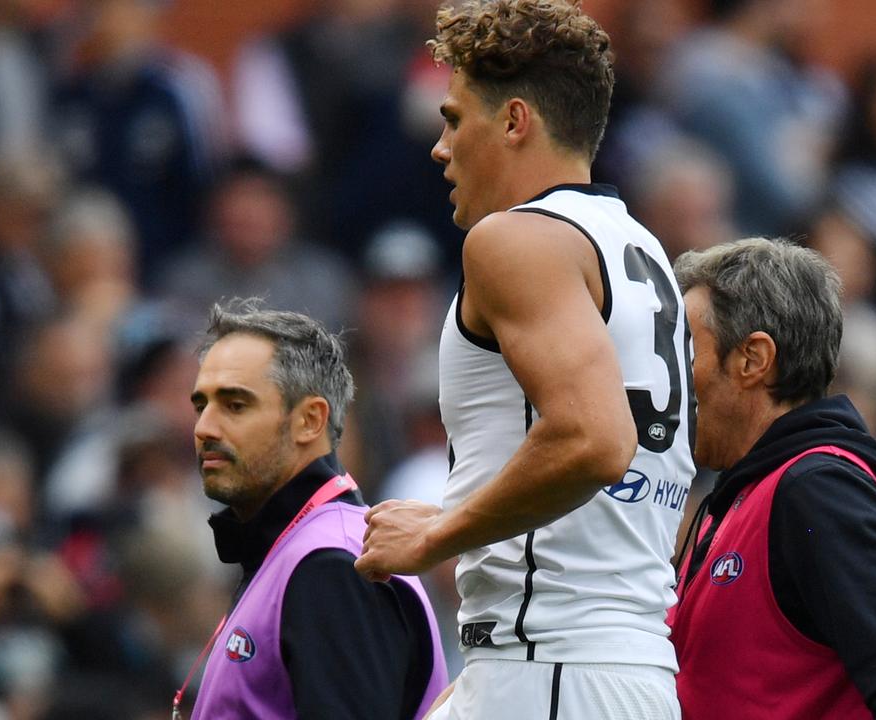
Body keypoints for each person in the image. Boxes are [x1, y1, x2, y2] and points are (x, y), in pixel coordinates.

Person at [355, 2, 695, 718]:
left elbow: (595, 438)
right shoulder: (639, 247)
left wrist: (439, 534)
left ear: (514, 121)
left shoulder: (514, 240)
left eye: (454, 119)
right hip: (608, 666)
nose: (440, 149)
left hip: (551, 666)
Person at [667, 238, 876, 719]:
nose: (672, 378)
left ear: (752, 359)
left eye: (686, 349)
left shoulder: (819, 490)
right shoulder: (744, 496)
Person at [184, 299, 447, 719]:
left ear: (310, 420)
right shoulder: (293, 549)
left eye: (235, 405)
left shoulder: (335, 566)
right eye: (202, 405)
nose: (204, 428)